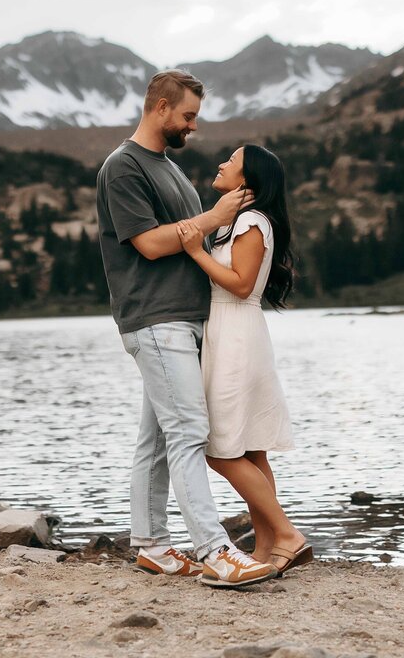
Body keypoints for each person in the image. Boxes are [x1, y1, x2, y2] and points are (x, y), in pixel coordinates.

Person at [96, 69, 278, 589]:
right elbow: (150, 245)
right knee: (190, 433)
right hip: (155, 319)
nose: (193, 126)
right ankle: (216, 551)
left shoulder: (168, 167)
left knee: (156, 439)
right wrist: (213, 215)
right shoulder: (124, 167)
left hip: (186, 320)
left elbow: (193, 240)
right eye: (187, 115)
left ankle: (151, 544)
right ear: (159, 107)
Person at [175, 144, 312, 575]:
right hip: (235, 334)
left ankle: (288, 534)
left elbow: (240, 284)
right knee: (252, 450)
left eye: (230, 161)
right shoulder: (241, 220)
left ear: (248, 180)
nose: (220, 164)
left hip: (235, 336)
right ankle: (268, 550)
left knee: (220, 451)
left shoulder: (252, 222)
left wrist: (196, 251)